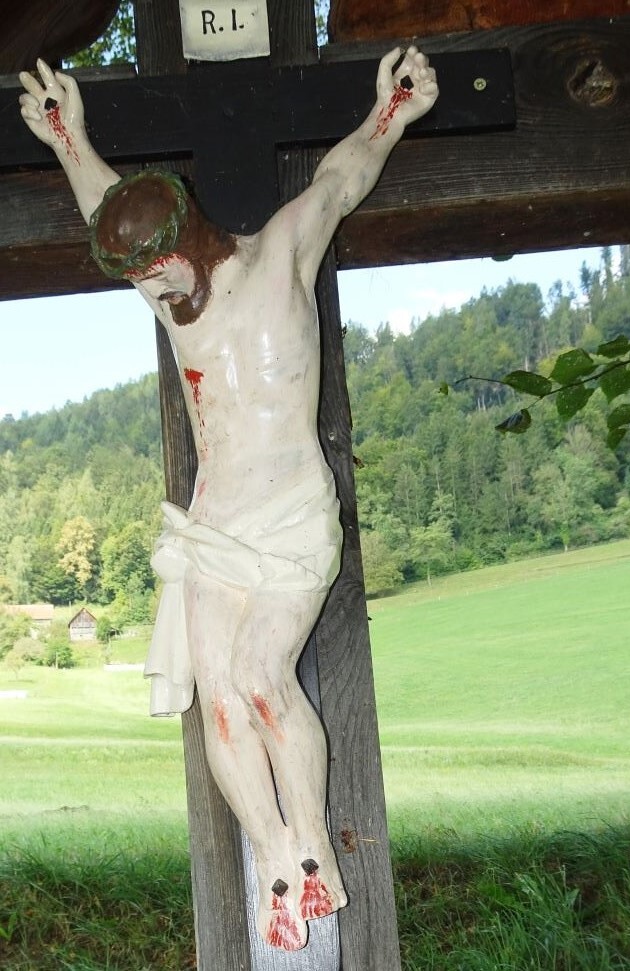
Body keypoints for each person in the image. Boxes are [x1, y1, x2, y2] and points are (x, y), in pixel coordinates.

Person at [19, 48, 438, 951]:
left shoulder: (280, 255)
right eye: (137, 281)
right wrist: (66, 135)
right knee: (219, 700)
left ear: (190, 239)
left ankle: (313, 843)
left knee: (258, 675)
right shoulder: (171, 300)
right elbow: (106, 205)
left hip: (290, 515)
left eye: (156, 274)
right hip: (214, 525)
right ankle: (279, 861)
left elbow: (337, 183)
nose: (151, 295)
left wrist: (389, 115)